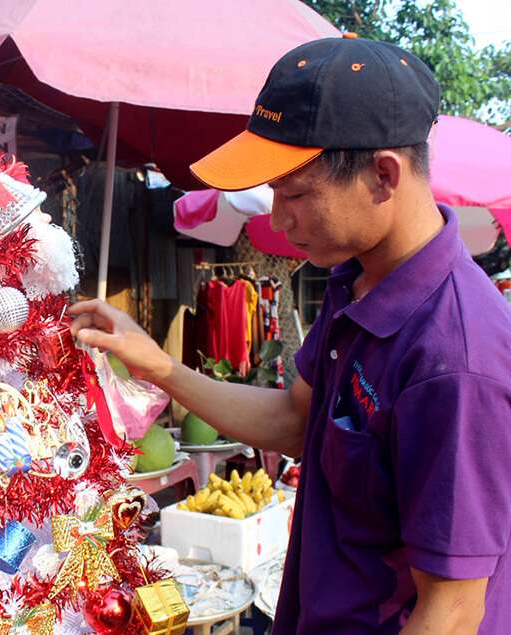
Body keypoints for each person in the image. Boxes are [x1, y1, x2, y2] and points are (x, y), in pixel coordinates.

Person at [70, 35, 511, 634]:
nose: (277, 220)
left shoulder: (455, 357)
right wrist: (157, 366)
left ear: (383, 176)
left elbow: (454, 610)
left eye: (294, 193)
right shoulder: (353, 282)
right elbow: (294, 420)